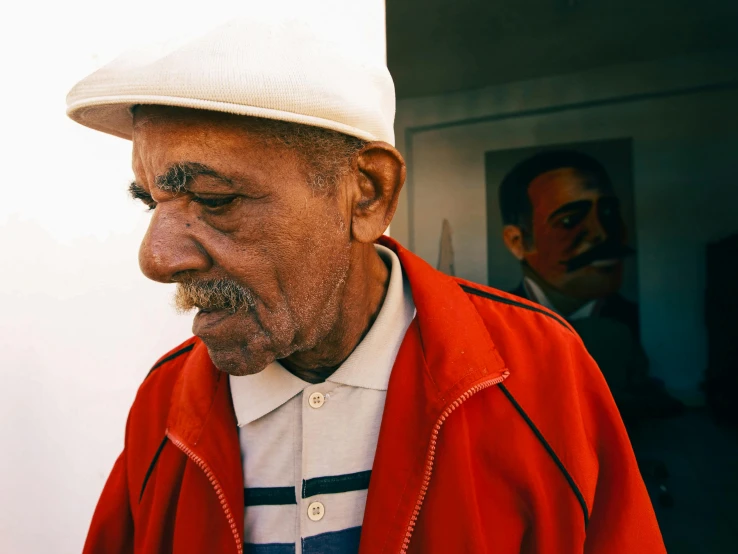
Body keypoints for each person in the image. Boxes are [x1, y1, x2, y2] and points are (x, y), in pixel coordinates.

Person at [67, 17, 666, 554]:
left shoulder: (537, 368)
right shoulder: (166, 402)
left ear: (368, 193)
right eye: (153, 201)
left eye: (216, 199)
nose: (156, 258)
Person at [499, 150, 683, 425]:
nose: (602, 233)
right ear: (517, 242)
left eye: (608, 212)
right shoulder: (496, 324)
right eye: (569, 220)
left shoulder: (623, 329)